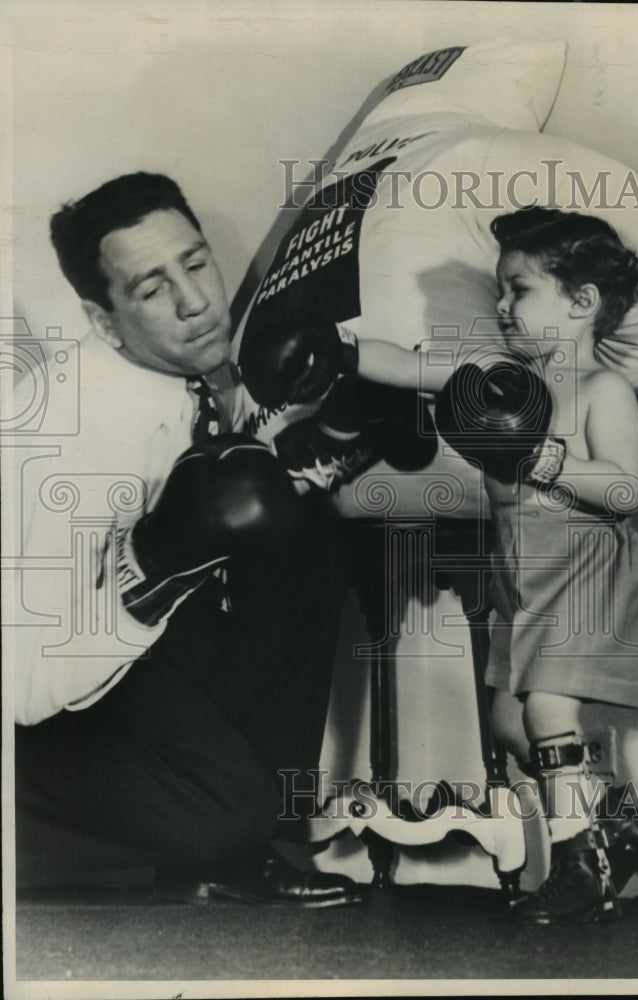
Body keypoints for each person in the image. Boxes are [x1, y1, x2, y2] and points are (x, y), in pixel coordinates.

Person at [245, 206, 638, 924]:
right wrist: (338, 350)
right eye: (499, 292)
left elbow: (626, 489)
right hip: (521, 574)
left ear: (581, 303)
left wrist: (545, 458)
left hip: (583, 567)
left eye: (519, 290)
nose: (502, 307)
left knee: (546, 711)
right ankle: (622, 822)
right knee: (511, 724)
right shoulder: (500, 377)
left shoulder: (602, 390)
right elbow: (414, 367)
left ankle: (583, 862)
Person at [12, 171, 422, 908]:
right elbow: (27, 687)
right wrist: (155, 569)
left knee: (303, 543)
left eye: (195, 263)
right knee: (220, 817)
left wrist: (342, 429)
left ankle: (246, 843)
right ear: (104, 320)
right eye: (150, 289)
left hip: (119, 665)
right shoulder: (77, 441)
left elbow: (237, 494)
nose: (195, 302)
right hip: (31, 703)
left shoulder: (188, 370)